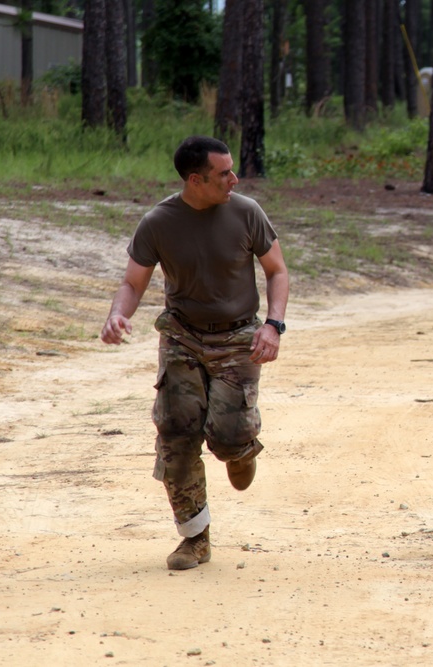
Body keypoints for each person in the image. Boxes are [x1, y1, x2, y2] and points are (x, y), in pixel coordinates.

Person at [100, 136, 290, 570]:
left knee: (226, 435)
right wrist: (116, 315)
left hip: (237, 337)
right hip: (182, 337)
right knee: (175, 434)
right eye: (224, 174)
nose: (234, 179)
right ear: (195, 180)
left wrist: (273, 326)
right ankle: (195, 539)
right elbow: (133, 283)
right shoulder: (158, 222)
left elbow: (277, 271)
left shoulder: (246, 212)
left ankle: (239, 449)